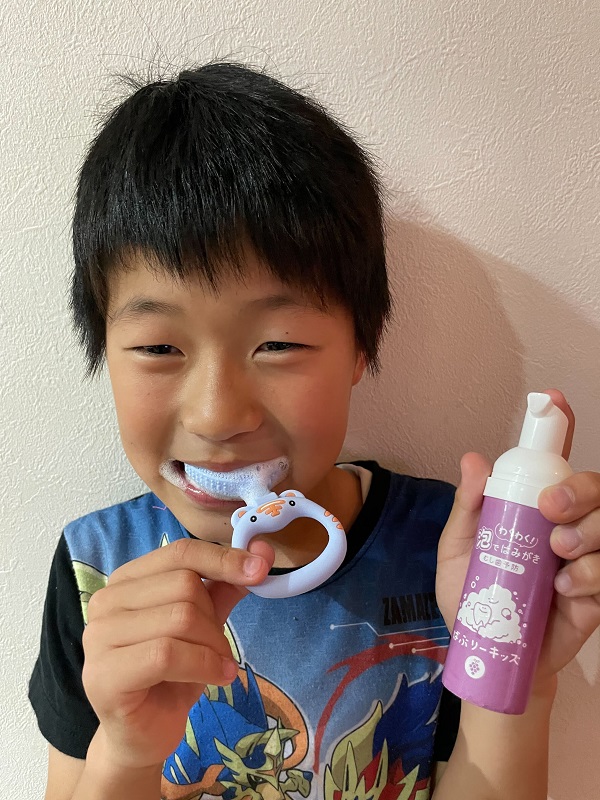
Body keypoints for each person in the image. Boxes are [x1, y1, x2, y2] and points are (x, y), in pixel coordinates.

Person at [29, 62, 600, 800]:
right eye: (159, 347)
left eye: (279, 345)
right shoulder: (95, 569)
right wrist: (125, 753)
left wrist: (513, 675)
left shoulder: (462, 563)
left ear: (362, 347)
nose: (217, 416)